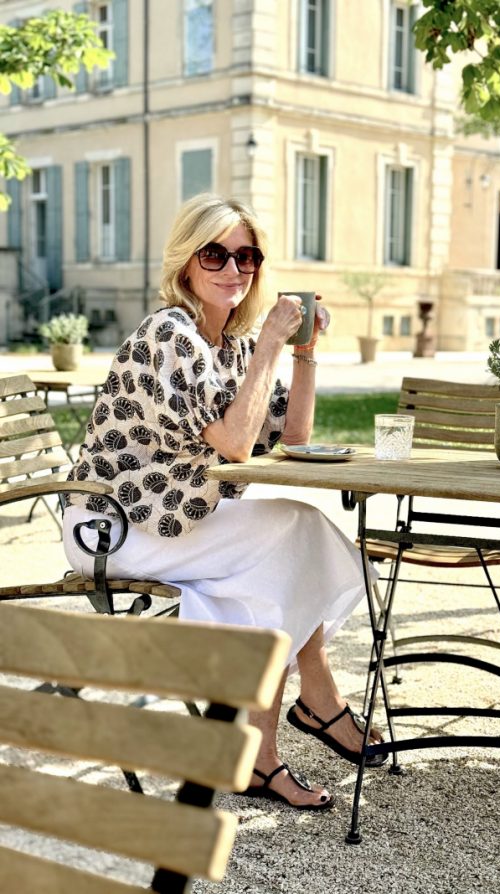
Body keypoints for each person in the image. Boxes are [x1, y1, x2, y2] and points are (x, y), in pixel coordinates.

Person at [62, 193, 384, 811]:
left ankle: (264, 755)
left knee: (288, 551)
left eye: (248, 257)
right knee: (298, 531)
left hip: (177, 515)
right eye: (216, 254)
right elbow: (237, 444)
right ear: (186, 263)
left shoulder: (231, 344)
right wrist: (268, 343)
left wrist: (303, 351)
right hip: (115, 523)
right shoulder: (170, 334)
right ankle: (315, 702)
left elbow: (293, 437)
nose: (234, 270)